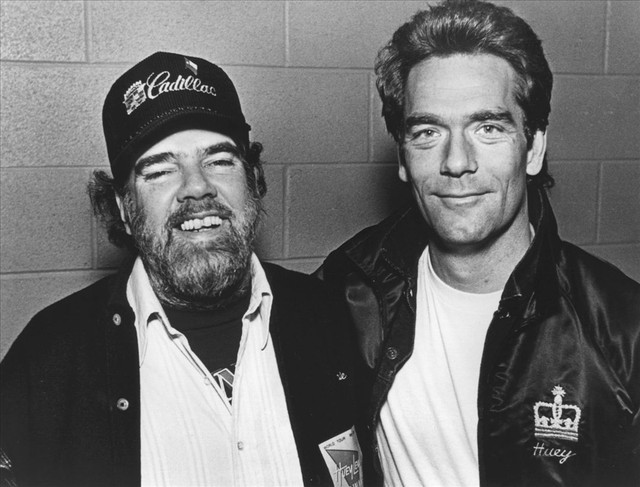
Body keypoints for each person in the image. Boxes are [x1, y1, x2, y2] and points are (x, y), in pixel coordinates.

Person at [0, 51, 367, 487]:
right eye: (159, 170)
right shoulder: (50, 358)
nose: (196, 187)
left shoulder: (332, 319)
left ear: (253, 180)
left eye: (219, 161)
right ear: (123, 207)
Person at [316, 1, 640, 486]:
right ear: (403, 157)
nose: (456, 162)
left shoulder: (622, 331)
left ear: (533, 148)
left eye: (488, 128)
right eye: (428, 132)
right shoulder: (347, 290)